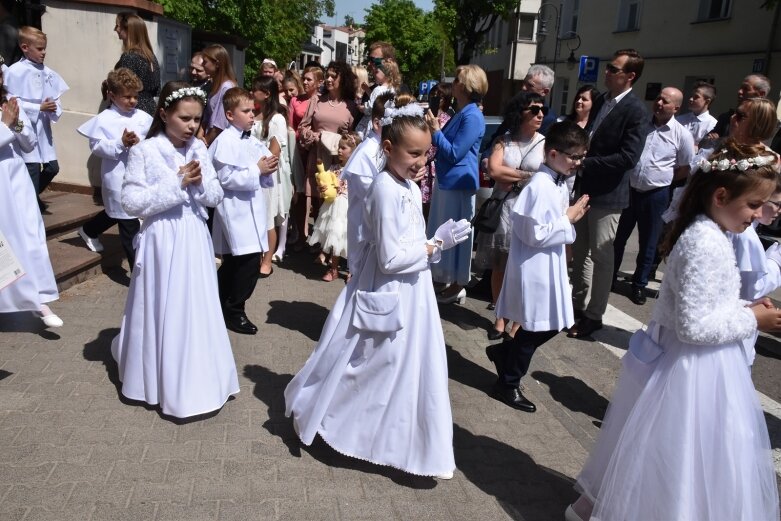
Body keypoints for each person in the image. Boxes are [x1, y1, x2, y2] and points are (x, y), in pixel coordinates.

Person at [567, 140, 781, 521]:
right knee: (678, 458)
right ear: (720, 196)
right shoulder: (704, 241)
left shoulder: (713, 233)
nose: (757, 215)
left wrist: (742, 307)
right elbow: (694, 325)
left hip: (698, 364)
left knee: (671, 457)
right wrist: (753, 321)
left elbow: (708, 302)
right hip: (691, 371)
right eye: (752, 205)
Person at [284, 98, 471, 478]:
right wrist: (436, 245)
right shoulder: (386, 188)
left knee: (397, 368)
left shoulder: (405, 183)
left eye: (426, 153)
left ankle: (396, 441)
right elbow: (390, 258)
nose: (421, 162)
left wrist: (430, 241)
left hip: (410, 290)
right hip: (392, 288)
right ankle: (340, 423)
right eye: (413, 153)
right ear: (388, 149)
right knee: (373, 364)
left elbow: (406, 241)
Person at [112, 82, 239, 419]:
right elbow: (132, 201)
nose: (192, 126)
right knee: (162, 304)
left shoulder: (199, 147)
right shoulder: (145, 150)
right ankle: (155, 378)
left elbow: (215, 196)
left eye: (197, 119)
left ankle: (197, 376)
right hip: (162, 239)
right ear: (165, 113)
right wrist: (177, 183)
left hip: (194, 236)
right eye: (185, 118)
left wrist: (199, 184)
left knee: (194, 304)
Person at [486, 121, 590, 412]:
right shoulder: (540, 186)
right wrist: (567, 220)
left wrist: (568, 221)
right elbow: (534, 234)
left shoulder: (556, 181)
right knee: (534, 327)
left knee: (552, 323)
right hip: (534, 268)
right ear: (553, 153)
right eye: (574, 156)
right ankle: (507, 383)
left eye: (582, 157)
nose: (578, 163)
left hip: (548, 265)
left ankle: (504, 352)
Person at [568, 49, 648, 339]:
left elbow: (628, 158)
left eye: (614, 69)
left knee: (602, 256)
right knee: (579, 250)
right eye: (608, 67)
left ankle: (594, 315)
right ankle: (577, 305)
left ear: (630, 76)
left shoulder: (636, 111)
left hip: (609, 194)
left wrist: (586, 163)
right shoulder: (601, 100)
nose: (607, 72)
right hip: (585, 188)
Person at [611, 86, 694, 306]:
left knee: (649, 242)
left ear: (676, 107)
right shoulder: (641, 125)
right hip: (629, 190)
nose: (659, 103)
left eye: (665, 101)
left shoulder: (682, 135)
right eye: (658, 98)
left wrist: (662, 179)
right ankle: (610, 276)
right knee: (618, 237)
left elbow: (684, 168)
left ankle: (638, 285)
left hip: (656, 194)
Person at [474, 92, 546, 340]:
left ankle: (517, 321)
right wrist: (528, 176)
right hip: (504, 210)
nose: (540, 114)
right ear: (520, 113)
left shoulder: (545, 143)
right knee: (500, 267)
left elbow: (546, 178)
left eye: (541, 109)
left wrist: (511, 174)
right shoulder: (504, 141)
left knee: (524, 269)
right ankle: (500, 317)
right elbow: (494, 170)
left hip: (530, 211)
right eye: (534, 109)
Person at [211, 86, 278, 335]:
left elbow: (261, 163)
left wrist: (269, 165)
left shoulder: (250, 139)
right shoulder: (225, 141)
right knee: (247, 261)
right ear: (230, 115)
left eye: (253, 110)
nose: (252, 115)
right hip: (234, 209)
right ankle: (234, 308)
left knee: (238, 262)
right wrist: (257, 171)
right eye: (246, 111)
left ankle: (219, 302)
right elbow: (226, 178)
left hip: (251, 207)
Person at [0, 67, 62, 328]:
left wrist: (15, 123)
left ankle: (38, 297)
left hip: (15, 178)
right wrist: (5, 125)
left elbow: (29, 143)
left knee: (30, 236)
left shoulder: (9, 103)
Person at [424, 64, 488, 304]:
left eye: (457, 80)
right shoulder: (463, 112)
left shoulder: (472, 115)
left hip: (458, 183)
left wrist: (435, 131)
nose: (453, 84)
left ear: (465, 86)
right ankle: (445, 280)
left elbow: (455, 152)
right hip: (449, 181)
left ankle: (457, 283)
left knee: (456, 234)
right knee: (444, 230)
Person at [76, 68, 152, 267]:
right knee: (128, 223)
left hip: (140, 175)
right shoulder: (104, 119)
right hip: (117, 176)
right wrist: (120, 143)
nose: (133, 101)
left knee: (116, 213)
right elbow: (98, 147)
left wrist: (139, 141)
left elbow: (153, 140)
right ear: (112, 95)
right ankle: (139, 270)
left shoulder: (142, 117)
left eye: (135, 96)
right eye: (127, 97)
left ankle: (90, 230)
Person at [4, 26, 68, 212]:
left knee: (52, 168)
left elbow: (56, 98)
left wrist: (54, 107)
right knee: (31, 168)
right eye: (40, 49)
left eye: (44, 48)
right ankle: (28, 204)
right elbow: (11, 102)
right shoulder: (15, 71)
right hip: (25, 129)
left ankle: (29, 197)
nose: (44, 53)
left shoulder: (48, 72)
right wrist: (37, 107)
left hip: (43, 129)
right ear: (25, 47)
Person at [298, 61, 361, 241]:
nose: (329, 79)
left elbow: (353, 136)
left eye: (334, 76)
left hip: (338, 160)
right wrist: (314, 136)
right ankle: (317, 242)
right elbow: (303, 128)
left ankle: (330, 245)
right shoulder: (316, 100)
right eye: (327, 75)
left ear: (344, 79)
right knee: (317, 201)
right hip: (317, 157)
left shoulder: (351, 106)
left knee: (335, 203)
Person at [341, 91, 395, 275]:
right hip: (364, 229)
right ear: (377, 123)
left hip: (379, 228)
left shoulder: (385, 148)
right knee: (362, 275)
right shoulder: (365, 153)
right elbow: (370, 195)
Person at [250, 75, 292, 277]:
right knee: (256, 215)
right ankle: (256, 255)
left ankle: (268, 259)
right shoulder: (255, 117)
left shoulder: (277, 119)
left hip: (267, 175)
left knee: (267, 218)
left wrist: (259, 164)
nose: (251, 93)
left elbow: (274, 152)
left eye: (254, 89)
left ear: (266, 94)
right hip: (254, 172)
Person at [307, 131, 360, 281]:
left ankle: (352, 270)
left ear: (354, 151)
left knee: (350, 240)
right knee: (335, 238)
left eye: (344, 148)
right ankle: (334, 269)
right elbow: (324, 184)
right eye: (339, 147)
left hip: (348, 208)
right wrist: (321, 188)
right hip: (332, 207)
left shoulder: (356, 170)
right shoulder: (334, 167)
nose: (339, 150)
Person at [289, 66, 323, 250]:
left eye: (310, 79)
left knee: (317, 194)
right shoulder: (295, 100)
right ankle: (300, 234)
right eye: (304, 78)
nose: (305, 82)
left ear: (319, 82)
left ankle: (316, 237)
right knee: (299, 194)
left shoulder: (321, 101)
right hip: (299, 149)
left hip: (315, 151)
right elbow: (292, 126)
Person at [112, 13, 160, 116]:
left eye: (117, 26)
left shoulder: (129, 57)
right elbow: (157, 89)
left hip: (133, 110)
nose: (115, 29)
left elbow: (124, 87)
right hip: (150, 110)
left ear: (128, 29)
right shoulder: (151, 56)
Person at [422, 82, 452, 218]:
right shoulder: (424, 115)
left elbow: (438, 144)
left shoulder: (446, 119)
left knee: (433, 209)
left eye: (439, 96)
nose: (434, 98)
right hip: (422, 167)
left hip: (434, 167)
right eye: (433, 94)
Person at [709, 74, 771, 139]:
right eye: (740, 88)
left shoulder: (770, 126)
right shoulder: (726, 118)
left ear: (761, 94)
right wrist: (714, 140)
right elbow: (706, 141)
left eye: (746, 89)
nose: (739, 92)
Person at [200, 44, 238, 147]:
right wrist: (200, 134)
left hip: (218, 142)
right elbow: (207, 115)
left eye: (205, 62)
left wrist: (205, 143)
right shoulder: (214, 85)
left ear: (217, 64)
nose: (202, 65)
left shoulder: (227, 88)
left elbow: (220, 123)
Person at [675, 81, 717, 148]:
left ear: (707, 101)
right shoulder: (679, 119)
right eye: (692, 96)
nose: (691, 99)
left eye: (696, 97)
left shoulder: (712, 125)